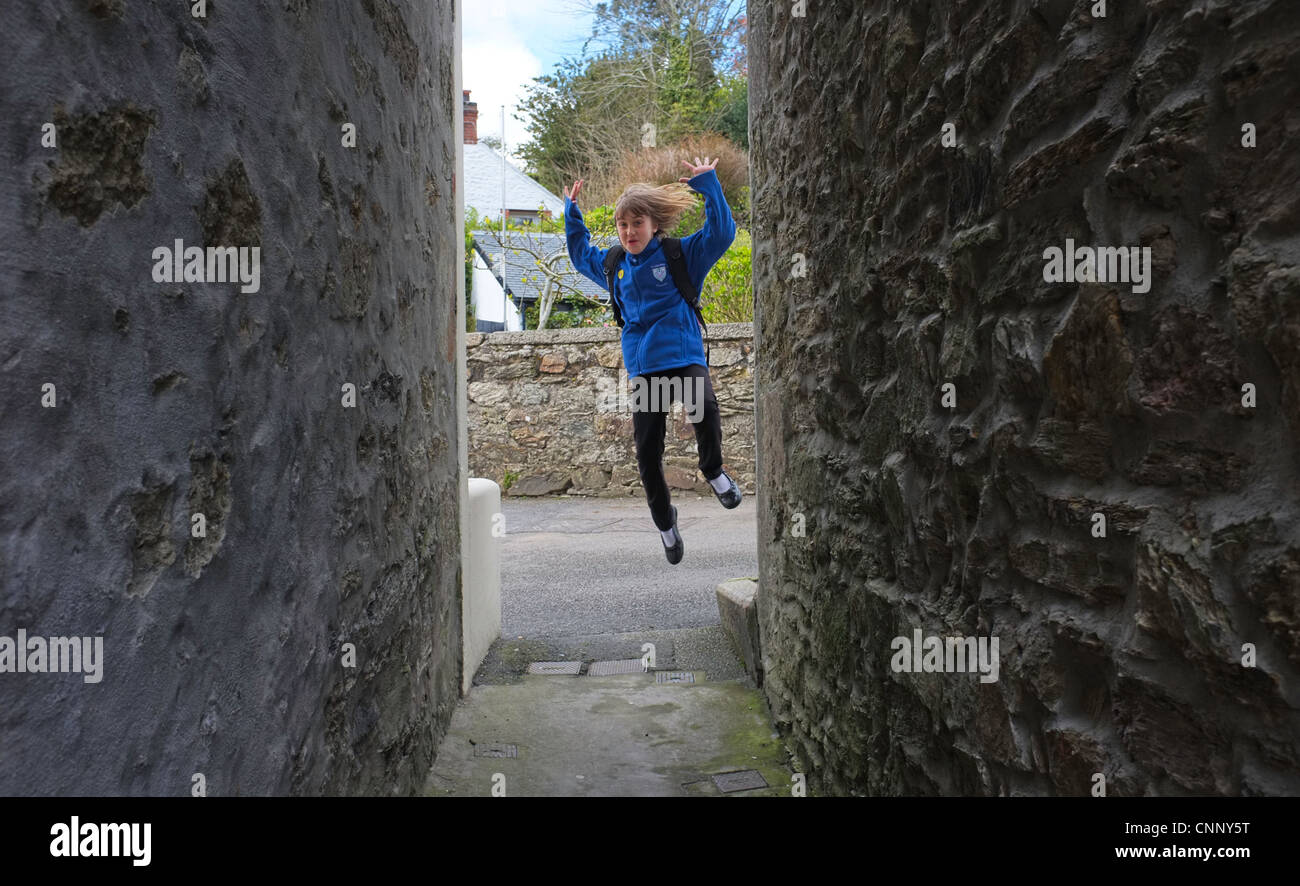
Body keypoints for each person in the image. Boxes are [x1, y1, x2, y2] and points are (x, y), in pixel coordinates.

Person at [562, 156, 740, 565]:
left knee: (705, 407)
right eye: (622, 225)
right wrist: (572, 214)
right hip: (645, 370)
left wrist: (709, 184)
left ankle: (714, 471)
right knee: (646, 453)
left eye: (637, 223)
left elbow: (721, 233)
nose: (629, 232)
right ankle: (665, 524)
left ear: (655, 224)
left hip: (682, 354)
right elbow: (580, 255)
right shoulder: (614, 265)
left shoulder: (680, 255)